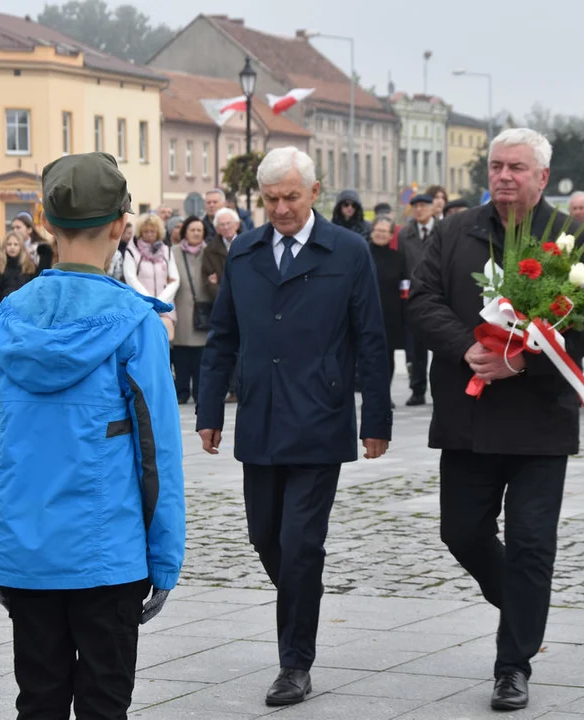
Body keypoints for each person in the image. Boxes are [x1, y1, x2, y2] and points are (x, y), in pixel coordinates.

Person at [0, 152, 185, 720]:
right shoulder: (137, 325)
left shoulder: (5, 320)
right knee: (104, 704)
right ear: (121, 224)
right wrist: (164, 559)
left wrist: (1, 547)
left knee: (37, 702)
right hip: (108, 555)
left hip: (27, 547)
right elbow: (157, 456)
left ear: (44, 220)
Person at [407, 128, 584, 712]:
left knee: (531, 546)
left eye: (517, 167)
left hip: (540, 420)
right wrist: (467, 345)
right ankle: (520, 604)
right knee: (460, 532)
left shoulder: (569, 241)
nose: (505, 176)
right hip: (469, 417)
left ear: (543, 177)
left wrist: (522, 362)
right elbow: (421, 300)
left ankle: (512, 665)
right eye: (496, 166)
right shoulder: (454, 230)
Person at [197, 146, 391, 708]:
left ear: (315, 191)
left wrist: (375, 417)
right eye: (271, 199)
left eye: (291, 197)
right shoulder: (244, 252)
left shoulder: (349, 252)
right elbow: (223, 336)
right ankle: (303, 599)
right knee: (266, 538)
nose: (281, 208)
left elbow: (372, 340)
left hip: (320, 416)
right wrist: (210, 410)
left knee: (300, 542)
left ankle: (294, 664)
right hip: (259, 415)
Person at [398, 193, 437, 406]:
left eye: (423, 205)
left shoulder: (443, 230)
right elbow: (402, 265)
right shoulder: (406, 234)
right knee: (415, 347)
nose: (419, 210)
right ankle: (417, 388)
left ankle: (442, 388)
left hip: (439, 295)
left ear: (432, 208)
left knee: (442, 344)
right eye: (416, 206)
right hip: (414, 296)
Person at [171, 216, 210, 404]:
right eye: (192, 230)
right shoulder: (173, 252)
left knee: (200, 355)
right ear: (185, 231)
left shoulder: (208, 252)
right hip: (180, 308)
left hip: (202, 310)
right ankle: (182, 391)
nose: (195, 233)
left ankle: (200, 392)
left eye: (199, 230)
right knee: (181, 353)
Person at [368, 216, 408, 391]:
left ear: (392, 235)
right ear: (372, 232)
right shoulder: (362, 253)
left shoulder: (398, 258)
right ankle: (370, 391)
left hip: (390, 315)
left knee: (387, 354)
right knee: (367, 355)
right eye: (378, 230)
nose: (381, 234)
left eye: (385, 231)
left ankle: (385, 393)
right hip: (366, 313)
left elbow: (405, 286)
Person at [123, 213, 181, 317]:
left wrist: (160, 301)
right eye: (146, 231)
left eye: (152, 231)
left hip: (165, 307)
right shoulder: (131, 251)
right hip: (141, 307)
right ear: (140, 232)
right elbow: (131, 278)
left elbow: (174, 279)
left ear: (158, 232)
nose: (149, 234)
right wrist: (149, 301)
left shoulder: (167, 251)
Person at [0, 230, 38, 309]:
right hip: (3, 311)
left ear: (21, 247)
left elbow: (33, 293)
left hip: (25, 311)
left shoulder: (29, 266)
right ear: (4, 246)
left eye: (16, 244)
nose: (12, 247)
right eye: (9, 244)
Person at [202, 207, 240, 298]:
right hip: (221, 300)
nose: (226, 227)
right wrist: (224, 297)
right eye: (222, 225)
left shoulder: (249, 245)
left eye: (229, 223)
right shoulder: (210, 250)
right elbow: (209, 281)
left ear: (237, 225)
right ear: (217, 229)